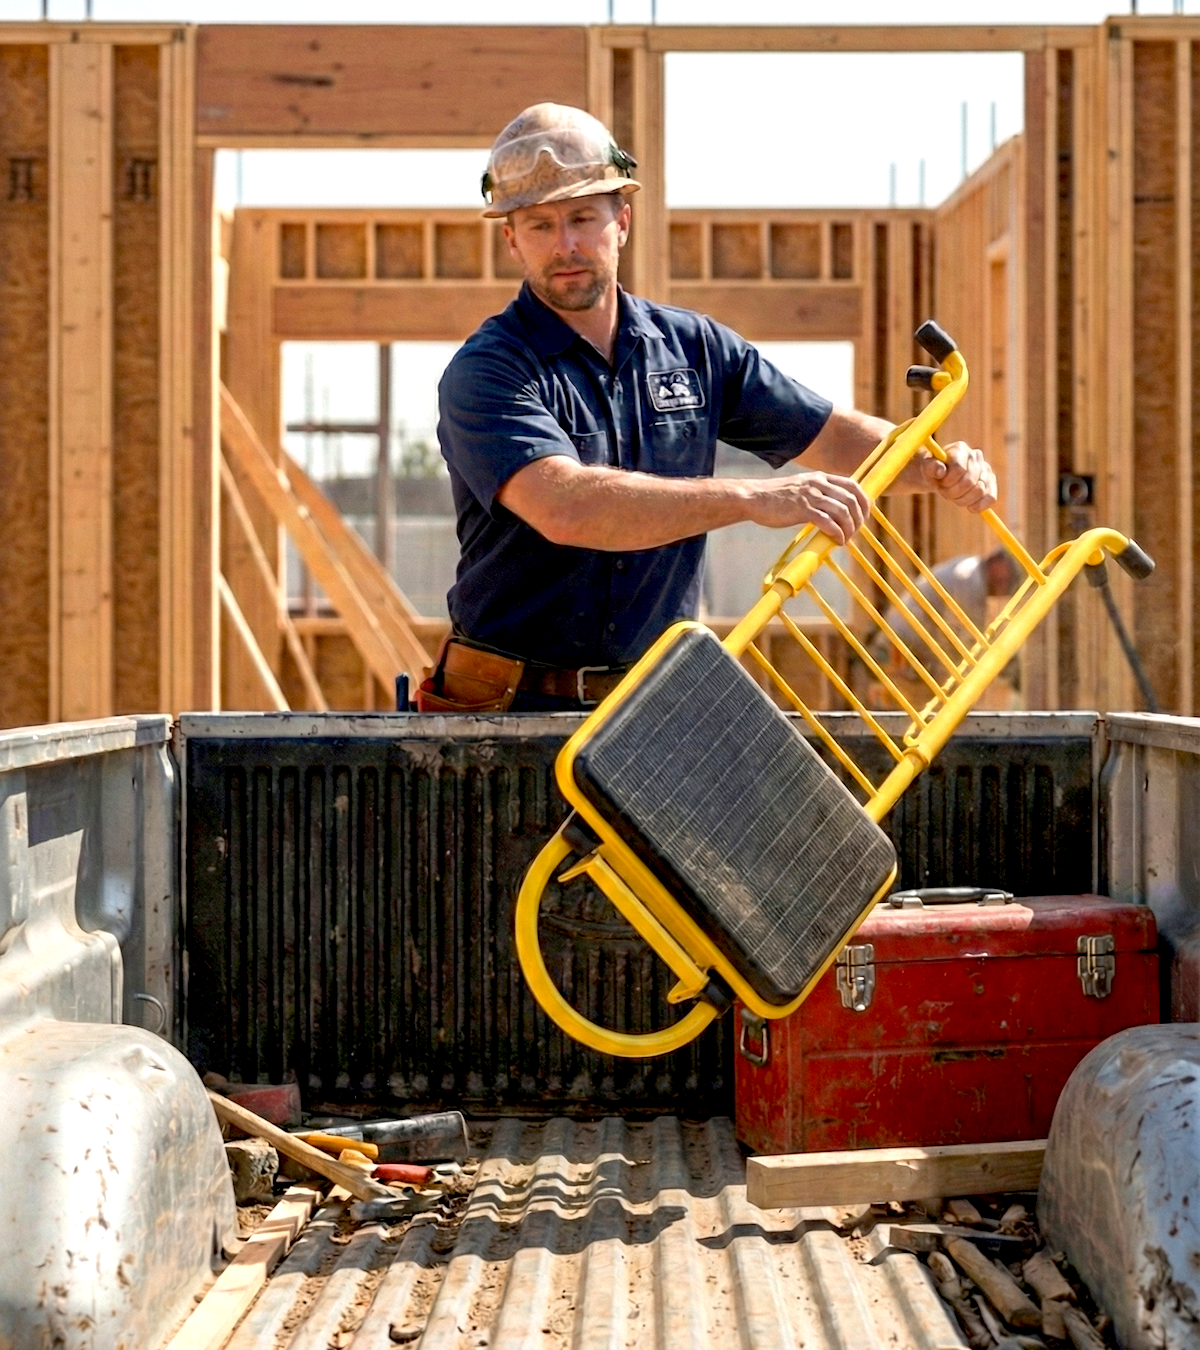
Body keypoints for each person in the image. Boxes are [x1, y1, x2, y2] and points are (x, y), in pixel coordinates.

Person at [422, 102, 998, 713]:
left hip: (653, 706)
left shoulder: (695, 349)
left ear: (622, 221)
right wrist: (749, 499)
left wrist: (933, 465)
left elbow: (828, 434)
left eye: (583, 218)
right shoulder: (489, 370)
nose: (565, 245)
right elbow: (565, 507)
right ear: (511, 239)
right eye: (540, 225)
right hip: (505, 708)